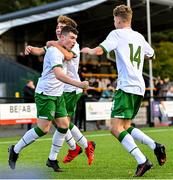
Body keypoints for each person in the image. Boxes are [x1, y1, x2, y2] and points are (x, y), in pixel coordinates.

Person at [81, 5, 166, 177]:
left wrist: (88, 49)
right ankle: (155, 146)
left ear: (118, 20)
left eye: (114, 20)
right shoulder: (139, 36)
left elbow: (99, 51)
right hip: (139, 87)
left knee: (114, 128)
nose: (114, 23)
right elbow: (151, 55)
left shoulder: (116, 34)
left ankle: (142, 161)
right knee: (125, 126)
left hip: (126, 86)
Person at [8, 26, 89, 172]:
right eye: (71, 38)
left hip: (58, 94)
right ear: (62, 37)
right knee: (43, 129)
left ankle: (52, 160)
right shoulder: (53, 52)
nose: (74, 42)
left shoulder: (69, 47)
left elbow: (69, 55)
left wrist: (51, 43)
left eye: (75, 39)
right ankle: (15, 149)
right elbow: (58, 74)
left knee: (64, 126)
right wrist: (79, 84)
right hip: (46, 94)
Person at [25, 15, 96, 170]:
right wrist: (31, 48)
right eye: (57, 27)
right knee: (62, 124)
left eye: (61, 27)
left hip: (70, 88)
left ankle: (81, 146)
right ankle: (77, 147)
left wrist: (52, 44)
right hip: (60, 88)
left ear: (68, 31)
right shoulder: (56, 44)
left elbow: (68, 55)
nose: (57, 29)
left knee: (64, 123)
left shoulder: (73, 44)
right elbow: (41, 50)